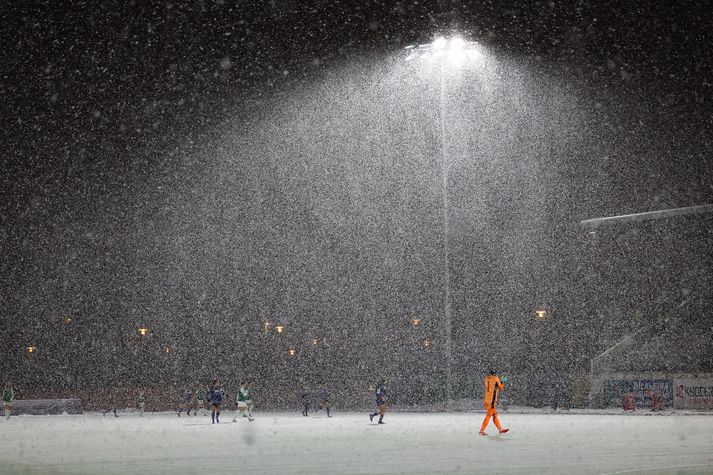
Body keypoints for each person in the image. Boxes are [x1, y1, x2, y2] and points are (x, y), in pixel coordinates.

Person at [479, 369, 509, 436]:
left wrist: (500, 382)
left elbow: (490, 387)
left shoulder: (486, 378)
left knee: (495, 415)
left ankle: (500, 430)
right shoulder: (496, 378)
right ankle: (481, 431)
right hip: (492, 400)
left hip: (487, 398)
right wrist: (502, 382)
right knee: (488, 415)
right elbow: (501, 388)